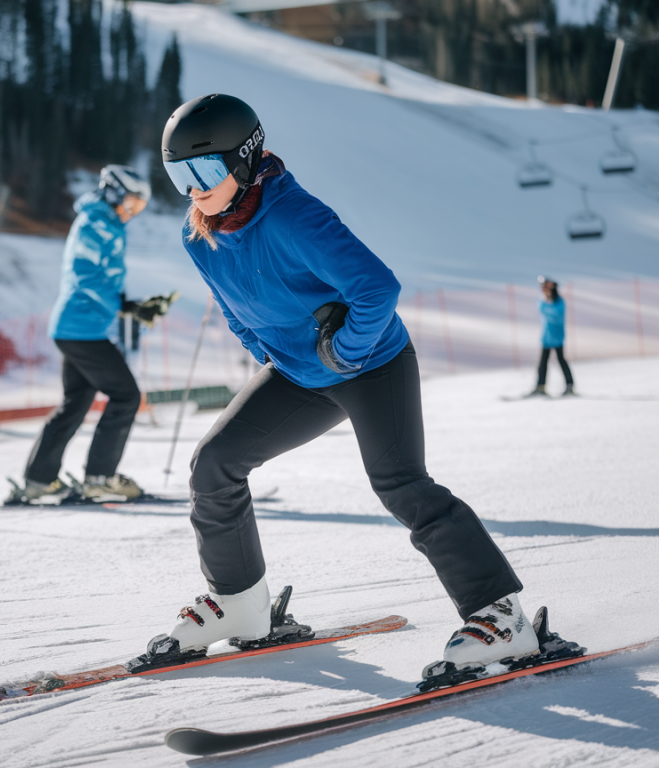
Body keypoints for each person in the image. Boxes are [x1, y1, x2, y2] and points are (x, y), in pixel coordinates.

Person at [145, 93, 542, 681]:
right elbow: (234, 310)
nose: (193, 188)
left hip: (372, 364)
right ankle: (240, 604)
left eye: (203, 171)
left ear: (245, 159)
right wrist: (274, 356)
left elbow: (378, 289)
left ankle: (500, 615)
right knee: (214, 465)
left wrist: (343, 352)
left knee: (401, 483)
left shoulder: (293, 216)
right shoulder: (197, 234)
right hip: (298, 374)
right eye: (179, 174)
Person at [12, 165, 169, 504]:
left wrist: (132, 306)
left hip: (82, 327)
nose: (134, 212)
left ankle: (40, 479)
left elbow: (104, 281)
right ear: (113, 193)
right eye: (133, 203)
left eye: (140, 207)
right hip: (81, 328)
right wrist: (125, 306)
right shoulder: (95, 224)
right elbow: (86, 279)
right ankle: (100, 478)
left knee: (76, 402)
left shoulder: (106, 223)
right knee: (126, 395)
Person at [530, 276, 575, 396]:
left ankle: (570, 385)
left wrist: (547, 303)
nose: (544, 289)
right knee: (543, 363)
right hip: (546, 337)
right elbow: (542, 310)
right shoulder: (543, 300)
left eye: (546, 286)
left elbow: (555, 314)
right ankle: (540, 386)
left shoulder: (559, 301)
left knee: (561, 361)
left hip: (557, 336)